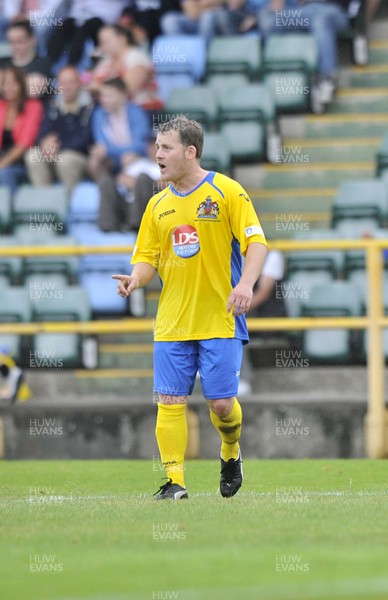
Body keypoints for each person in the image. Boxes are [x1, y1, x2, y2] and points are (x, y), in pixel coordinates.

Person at [113, 115, 268, 500]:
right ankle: (175, 482)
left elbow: (257, 243)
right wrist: (136, 279)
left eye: (166, 148)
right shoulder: (157, 206)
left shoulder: (226, 191)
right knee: (169, 400)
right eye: (157, 146)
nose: (157, 154)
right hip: (172, 321)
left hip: (219, 316)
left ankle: (231, 452)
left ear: (190, 151)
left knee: (220, 405)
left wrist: (246, 284)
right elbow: (147, 258)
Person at [25, 65, 94, 193]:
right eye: (63, 83)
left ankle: (69, 205)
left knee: (66, 160)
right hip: (56, 153)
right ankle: (45, 203)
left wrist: (58, 145)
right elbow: (42, 130)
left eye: (71, 82)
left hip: (80, 156)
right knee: (33, 156)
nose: (67, 87)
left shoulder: (90, 106)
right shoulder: (53, 105)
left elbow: (87, 139)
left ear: (79, 83)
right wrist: (45, 142)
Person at [239, 249, 286, 395]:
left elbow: (262, 293)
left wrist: (236, 309)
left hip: (268, 315)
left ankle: (243, 379)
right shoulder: (233, 254)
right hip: (246, 311)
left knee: (236, 324)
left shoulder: (272, 255)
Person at [88, 24, 163, 113]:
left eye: (107, 41)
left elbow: (126, 90)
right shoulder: (107, 60)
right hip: (114, 112)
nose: (103, 46)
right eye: (102, 42)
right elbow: (92, 83)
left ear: (122, 39)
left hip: (143, 110)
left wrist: (97, 88)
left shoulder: (137, 58)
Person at [89, 77, 149, 181]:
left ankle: (130, 194)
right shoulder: (99, 114)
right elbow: (101, 145)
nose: (104, 100)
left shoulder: (137, 113)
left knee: (128, 158)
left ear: (123, 96)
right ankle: (104, 192)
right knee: (95, 161)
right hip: (111, 158)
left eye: (109, 96)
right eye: (103, 96)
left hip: (133, 156)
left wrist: (109, 151)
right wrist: (103, 151)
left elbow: (141, 146)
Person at [0, 65, 43, 195]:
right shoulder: (1, 106)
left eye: (13, 83)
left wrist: (2, 164)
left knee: (4, 174)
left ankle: (8, 214)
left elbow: (24, 143)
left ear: (22, 86)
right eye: (5, 83)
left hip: (21, 163)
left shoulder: (33, 106)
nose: (9, 88)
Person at [46, 0, 128, 66]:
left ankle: (71, 65)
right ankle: (48, 63)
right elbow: (76, 10)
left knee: (81, 31)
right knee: (63, 26)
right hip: (80, 18)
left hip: (101, 22)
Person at [0, 20, 53, 100]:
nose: (15, 46)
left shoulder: (43, 63)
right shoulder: (2, 62)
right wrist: (25, 83)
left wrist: (5, 82)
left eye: (19, 41)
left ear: (32, 39)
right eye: (11, 42)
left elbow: (35, 90)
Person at [161, 0, 226, 46]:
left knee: (208, 16)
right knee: (169, 20)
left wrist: (199, 4)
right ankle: (183, 51)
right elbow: (193, 14)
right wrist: (209, 5)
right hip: (194, 23)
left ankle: (200, 51)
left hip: (219, 24)